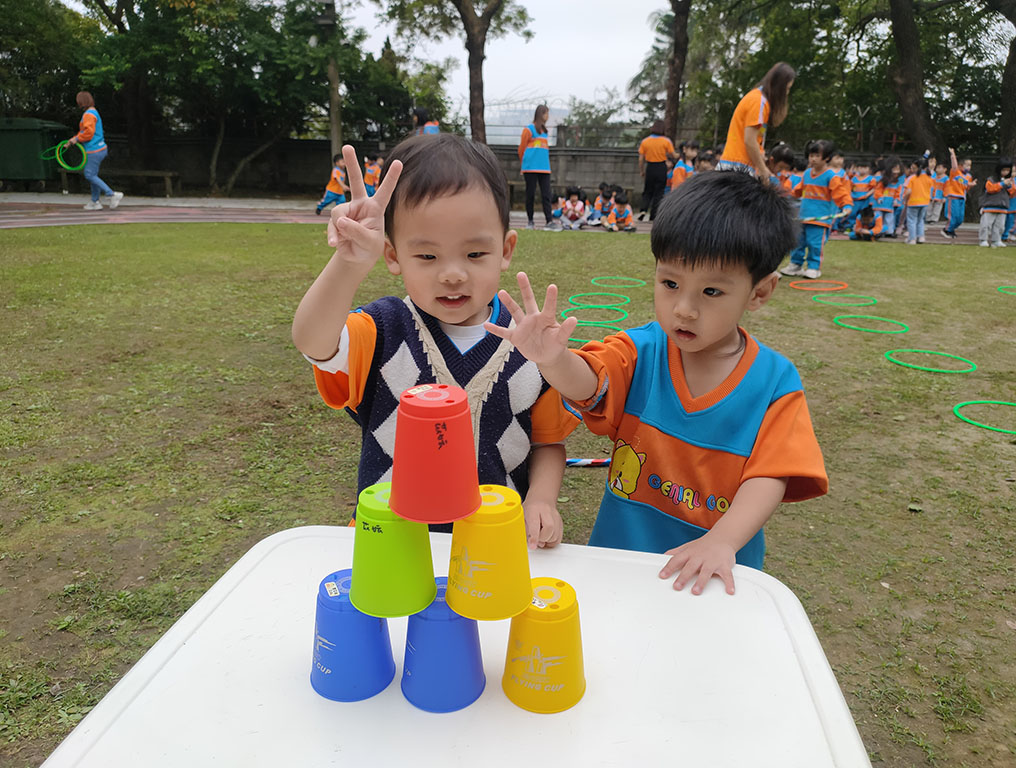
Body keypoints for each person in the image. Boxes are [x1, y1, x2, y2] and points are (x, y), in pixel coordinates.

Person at [483, 171, 827, 595]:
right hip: (620, 562)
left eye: (712, 292)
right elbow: (589, 384)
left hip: (712, 578)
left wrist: (721, 541)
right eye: (670, 283)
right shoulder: (640, 350)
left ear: (759, 292)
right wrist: (554, 360)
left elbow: (771, 475)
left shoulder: (775, 382)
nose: (684, 309)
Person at [292, 136, 579, 548]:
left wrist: (542, 499)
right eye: (427, 256)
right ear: (393, 255)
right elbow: (313, 342)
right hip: (393, 546)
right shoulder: (383, 331)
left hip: (493, 547)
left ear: (505, 249)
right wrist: (347, 264)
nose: (452, 274)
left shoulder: (532, 345)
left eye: (475, 254)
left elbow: (547, 441)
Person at [782, 140, 853, 279]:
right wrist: (787, 195)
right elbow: (798, 190)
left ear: (826, 158)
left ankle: (814, 267)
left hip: (820, 218)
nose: (813, 159)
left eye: (817, 156)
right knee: (798, 242)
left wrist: (847, 205)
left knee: (815, 244)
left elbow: (840, 193)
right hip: (803, 216)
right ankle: (795, 265)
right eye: (811, 155)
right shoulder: (807, 173)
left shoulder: (831, 176)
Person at [717, 62, 796, 182]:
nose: (787, 93)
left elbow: (755, 139)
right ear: (779, 87)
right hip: (738, 167)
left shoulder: (759, 99)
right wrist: (763, 169)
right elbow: (749, 141)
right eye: (787, 88)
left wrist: (760, 155)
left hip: (737, 165)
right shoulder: (758, 102)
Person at [64, 91, 122, 211]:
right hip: (99, 148)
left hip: (94, 149)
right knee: (93, 175)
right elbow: (86, 131)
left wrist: (76, 139)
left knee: (89, 175)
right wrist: (73, 140)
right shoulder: (93, 112)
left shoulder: (88, 115)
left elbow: (88, 133)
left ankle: (111, 194)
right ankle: (95, 201)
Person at [518, 105, 559, 230]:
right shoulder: (528, 130)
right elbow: (521, 149)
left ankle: (549, 221)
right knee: (530, 194)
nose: (548, 116)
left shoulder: (545, 132)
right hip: (530, 168)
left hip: (544, 168)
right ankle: (530, 221)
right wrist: (523, 164)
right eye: (546, 113)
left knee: (546, 195)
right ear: (540, 114)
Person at [637, 120, 677, 221]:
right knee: (659, 192)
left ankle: (643, 209)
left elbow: (641, 159)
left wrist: (642, 171)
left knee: (647, 190)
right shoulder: (666, 141)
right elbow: (673, 155)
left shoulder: (645, 141)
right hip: (661, 167)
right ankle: (653, 215)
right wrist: (681, 155)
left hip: (650, 167)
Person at [977, 157, 1014, 247]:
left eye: (1008, 170)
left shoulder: (1010, 181)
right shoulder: (991, 179)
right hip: (989, 206)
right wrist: (1002, 184)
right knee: (986, 225)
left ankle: (996, 240)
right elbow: (990, 189)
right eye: (1004, 170)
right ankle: (983, 240)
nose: (1006, 172)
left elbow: (1012, 193)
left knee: (1000, 226)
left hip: (1003, 207)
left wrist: (1010, 186)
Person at [942, 148, 976, 241]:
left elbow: (966, 187)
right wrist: (953, 155)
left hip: (961, 198)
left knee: (960, 219)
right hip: (953, 197)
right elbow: (954, 165)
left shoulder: (969, 176)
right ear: (960, 166)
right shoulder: (955, 172)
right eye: (967, 165)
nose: (969, 167)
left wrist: (971, 185)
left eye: (970, 165)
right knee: (953, 216)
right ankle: (947, 230)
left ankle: (951, 229)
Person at [903, 157, 933, 245]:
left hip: (913, 202)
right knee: (920, 220)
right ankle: (921, 237)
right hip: (925, 202)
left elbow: (908, 191)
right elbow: (931, 189)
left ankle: (912, 238)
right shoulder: (929, 178)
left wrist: (904, 199)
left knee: (912, 220)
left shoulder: (912, 178)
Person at [872, 156, 904, 237]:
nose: (896, 172)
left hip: (890, 204)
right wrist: (879, 197)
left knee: (889, 218)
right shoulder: (882, 180)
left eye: (898, 169)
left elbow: (898, 192)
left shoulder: (898, 182)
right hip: (880, 204)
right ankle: (878, 231)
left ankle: (889, 232)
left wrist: (896, 200)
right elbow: (878, 190)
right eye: (894, 169)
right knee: (879, 218)